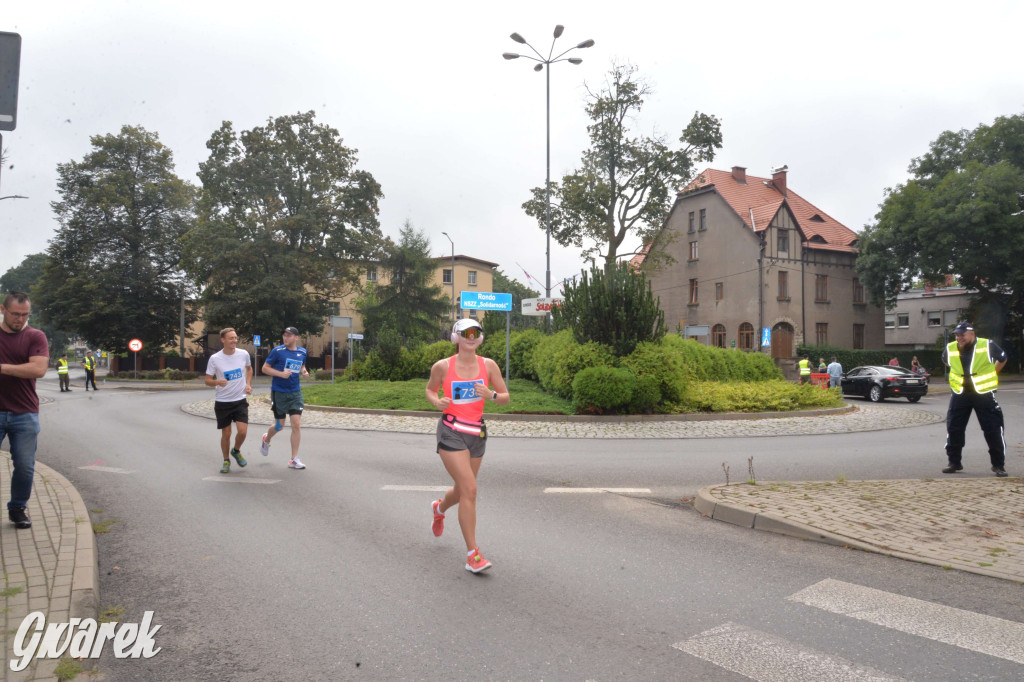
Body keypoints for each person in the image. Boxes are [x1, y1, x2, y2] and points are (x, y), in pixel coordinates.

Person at [425, 318, 509, 574]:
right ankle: (473, 555)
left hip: (476, 434)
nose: (471, 338)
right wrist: (437, 401)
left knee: (463, 491)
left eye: (475, 333)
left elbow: (505, 398)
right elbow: (430, 390)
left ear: (480, 338)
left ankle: (439, 507)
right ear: (456, 337)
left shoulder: (489, 365)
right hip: (451, 431)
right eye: (465, 333)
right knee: (470, 489)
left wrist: (491, 395)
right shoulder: (442, 366)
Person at [0, 292, 50, 529]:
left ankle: (17, 508)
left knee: (25, 465)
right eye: (15, 314)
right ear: (3, 310)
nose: (20, 319)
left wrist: (2, 368)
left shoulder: (35, 336)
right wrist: (18, 368)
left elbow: (38, 369)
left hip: (25, 412)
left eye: (25, 315)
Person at [941, 322, 1009, 477]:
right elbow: (946, 360)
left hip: (983, 393)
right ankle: (954, 462)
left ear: (971, 334)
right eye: (957, 335)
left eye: (962, 335)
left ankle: (998, 465)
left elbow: (1003, 358)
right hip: (960, 393)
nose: (959, 338)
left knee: (992, 429)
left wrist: (993, 372)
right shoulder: (951, 347)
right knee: (954, 428)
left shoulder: (987, 345)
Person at [259, 327, 309, 469]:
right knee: (279, 426)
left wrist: (304, 371)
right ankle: (266, 439)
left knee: (296, 424)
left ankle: (294, 459)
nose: (285, 338)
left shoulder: (302, 352)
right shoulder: (277, 351)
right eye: (284, 335)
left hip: (295, 392)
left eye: (289, 335)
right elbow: (264, 368)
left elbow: (302, 366)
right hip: (279, 392)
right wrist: (281, 374)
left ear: (296, 337)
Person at [205, 328, 253, 474]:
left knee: (242, 432)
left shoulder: (243, 354)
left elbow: (249, 369)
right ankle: (226, 460)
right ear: (223, 340)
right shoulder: (215, 358)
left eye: (235, 338)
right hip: (223, 401)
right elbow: (207, 381)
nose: (234, 340)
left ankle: (236, 450)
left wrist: (248, 384)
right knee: (226, 433)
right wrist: (217, 382)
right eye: (231, 338)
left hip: (240, 400)